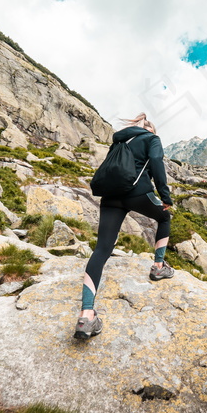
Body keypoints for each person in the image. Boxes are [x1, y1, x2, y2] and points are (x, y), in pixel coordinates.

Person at [74, 113, 174, 339]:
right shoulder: (152, 139)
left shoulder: (120, 140)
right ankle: (158, 267)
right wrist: (165, 197)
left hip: (110, 196)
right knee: (165, 218)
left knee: (102, 249)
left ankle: (86, 315)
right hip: (137, 193)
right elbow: (157, 163)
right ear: (151, 129)